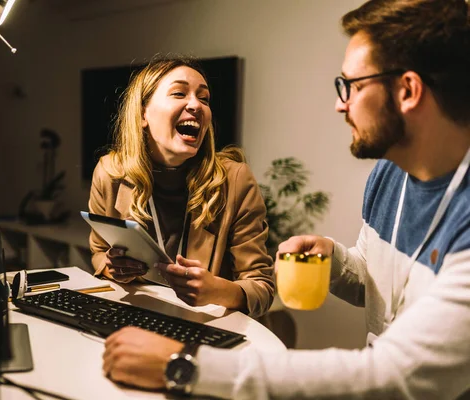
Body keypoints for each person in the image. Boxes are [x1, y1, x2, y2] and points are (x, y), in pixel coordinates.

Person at [101, 0, 470, 398]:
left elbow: (397, 375)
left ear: (408, 91)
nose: (339, 103)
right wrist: (334, 259)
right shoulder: (389, 175)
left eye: (352, 86)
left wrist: (183, 364)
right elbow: (376, 285)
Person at [87, 57, 275, 318]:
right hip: (136, 319)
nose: (196, 105)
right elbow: (98, 253)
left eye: (205, 98)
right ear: (143, 113)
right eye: (179, 93)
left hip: (207, 329)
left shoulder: (235, 180)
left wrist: (216, 290)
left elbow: (262, 288)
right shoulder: (109, 172)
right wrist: (111, 267)